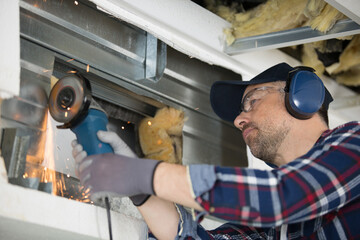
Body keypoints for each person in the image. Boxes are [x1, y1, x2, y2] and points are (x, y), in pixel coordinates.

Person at [72, 62, 360, 239]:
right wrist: (140, 191)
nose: (238, 120)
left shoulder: (355, 141)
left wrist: (143, 174)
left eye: (252, 102)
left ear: (302, 97)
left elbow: (280, 196)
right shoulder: (271, 228)